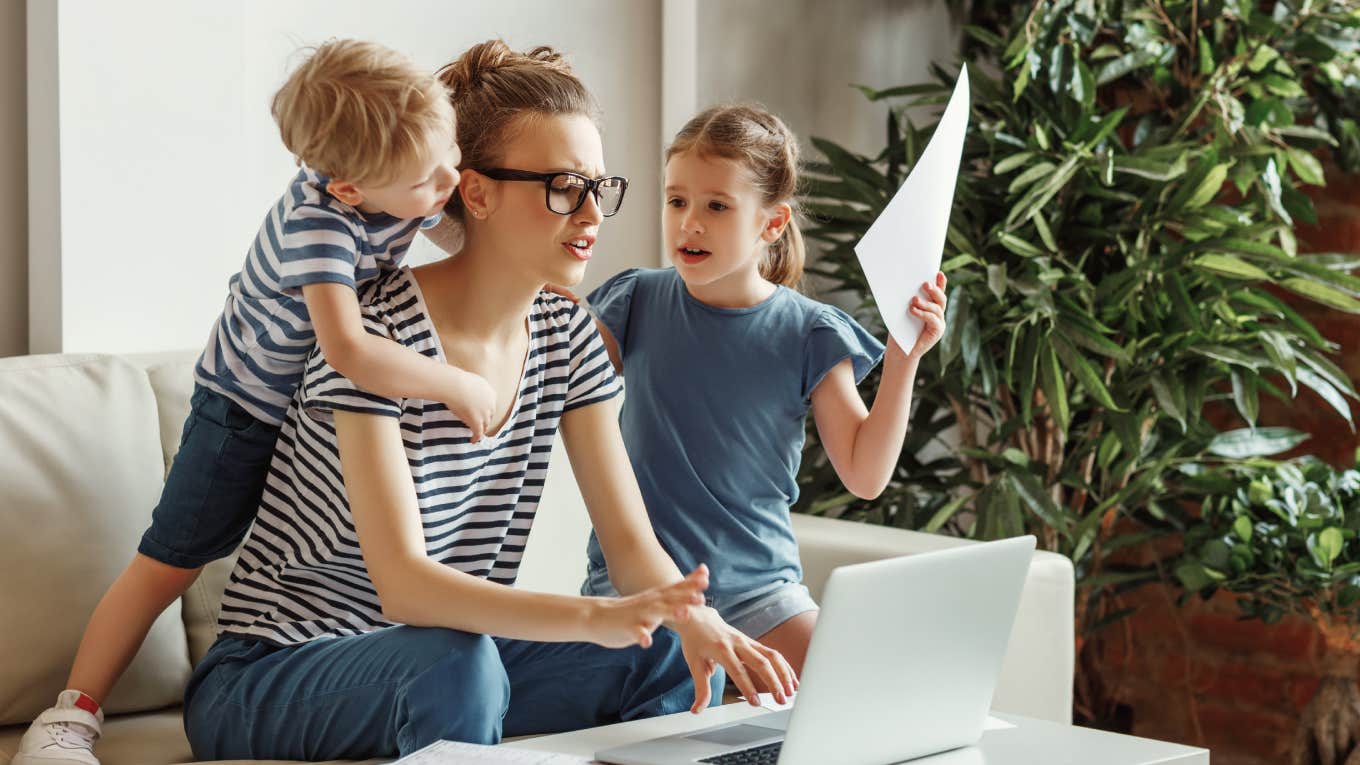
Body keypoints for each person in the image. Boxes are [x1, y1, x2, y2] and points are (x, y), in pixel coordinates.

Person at [180, 41, 796, 761]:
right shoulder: (373, 332)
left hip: (436, 661)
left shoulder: (567, 333)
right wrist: (595, 614)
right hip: (272, 671)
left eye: (601, 186)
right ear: (475, 192)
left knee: (660, 646)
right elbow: (404, 587)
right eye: (566, 186)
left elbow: (631, 547)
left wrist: (695, 618)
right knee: (457, 661)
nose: (592, 211)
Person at [11, 39, 502, 765]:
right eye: (427, 180)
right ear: (348, 191)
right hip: (241, 413)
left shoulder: (402, 182)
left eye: (452, 154)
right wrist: (456, 382)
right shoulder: (317, 226)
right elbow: (349, 349)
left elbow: (467, 225)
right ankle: (70, 713)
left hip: (305, 415)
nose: (450, 182)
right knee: (168, 562)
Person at [581, 104, 949, 677]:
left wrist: (905, 358)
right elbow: (544, 384)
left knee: (854, 692)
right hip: (639, 596)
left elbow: (864, 474)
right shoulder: (634, 302)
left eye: (717, 206)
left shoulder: (811, 332)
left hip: (761, 598)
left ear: (771, 224)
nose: (689, 223)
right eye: (677, 201)